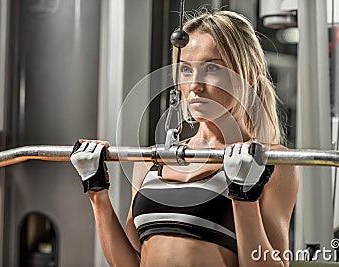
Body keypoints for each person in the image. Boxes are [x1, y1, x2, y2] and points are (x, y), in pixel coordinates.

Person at [70, 10, 299, 267]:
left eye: (212, 68)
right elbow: (130, 262)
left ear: (249, 73)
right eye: (186, 70)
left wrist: (243, 196)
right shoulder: (153, 160)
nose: (195, 85)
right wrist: (96, 190)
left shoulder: (271, 162)